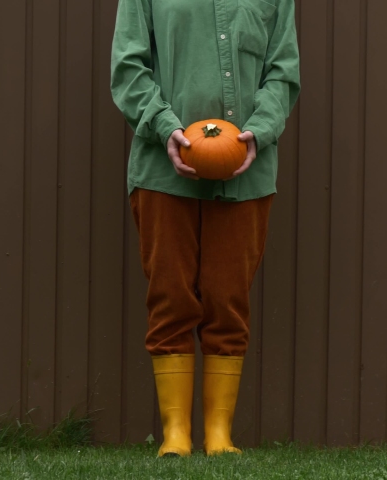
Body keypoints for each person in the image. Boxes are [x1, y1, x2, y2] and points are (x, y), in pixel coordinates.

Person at [110, 0, 300, 457]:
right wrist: (163, 124)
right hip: (162, 170)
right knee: (170, 297)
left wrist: (261, 128)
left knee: (228, 301)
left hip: (246, 173)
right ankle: (175, 435)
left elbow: (283, 72)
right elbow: (128, 66)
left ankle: (219, 436)